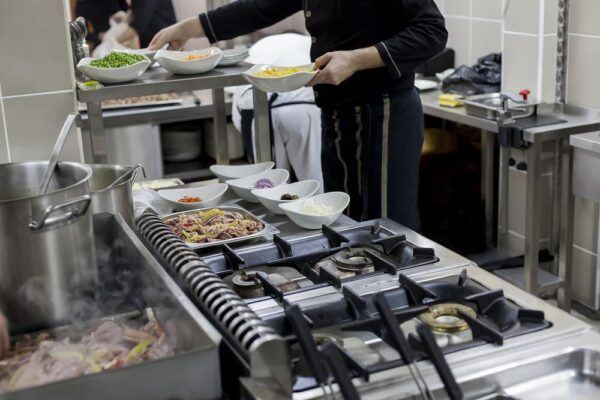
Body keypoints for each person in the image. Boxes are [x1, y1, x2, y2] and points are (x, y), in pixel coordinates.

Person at [149, 1, 447, 231]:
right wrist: (190, 27)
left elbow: (431, 31)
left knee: (385, 228)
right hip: (336, 111)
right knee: (343, 223)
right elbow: (260, 8)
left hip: (382, 113)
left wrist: (356, 59)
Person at [231, 33, 324, 188]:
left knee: (268, 186)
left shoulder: (258, 47)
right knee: (313, 185)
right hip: (302, 107)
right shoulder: (310, 43)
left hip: (254, 108)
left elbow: (237, 110)